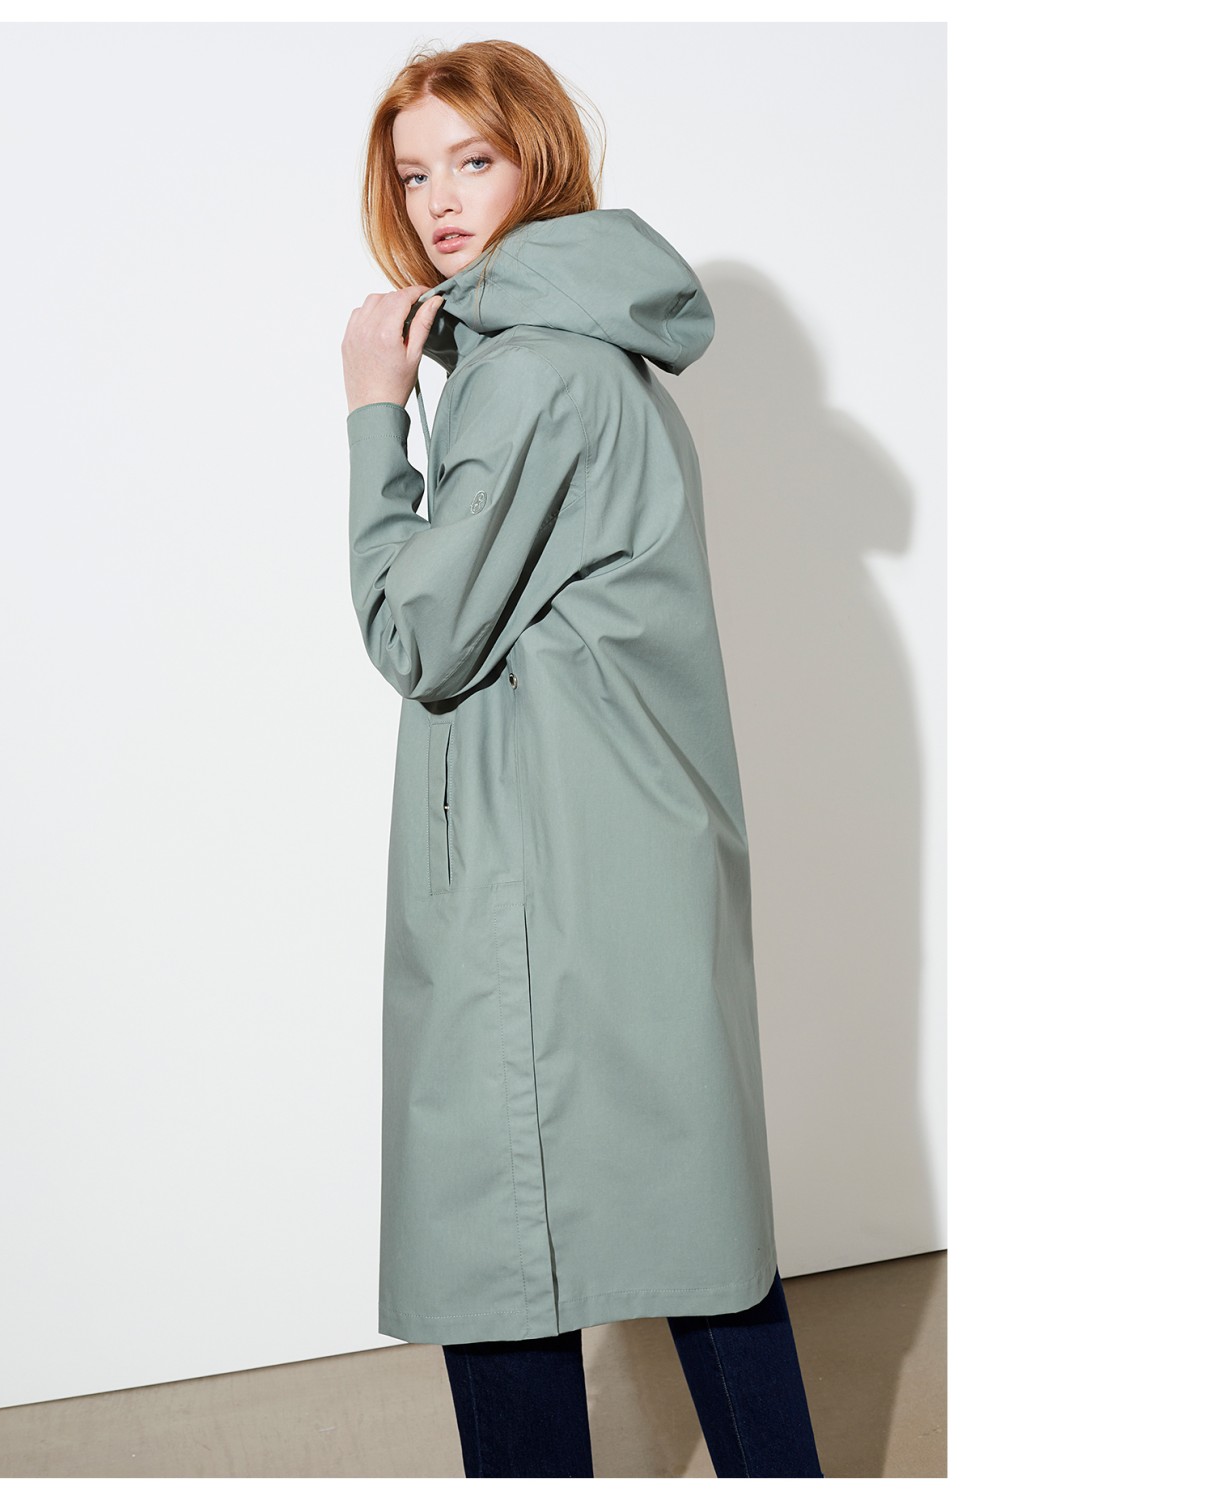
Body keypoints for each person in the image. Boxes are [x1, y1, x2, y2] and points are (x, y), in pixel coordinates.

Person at [341, 41, 825, 1479]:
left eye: (472, 161)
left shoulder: (530, 377)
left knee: (494, 1237)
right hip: (615, 848)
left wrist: (372, 414)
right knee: (692, 1223)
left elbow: (419, 635)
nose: (437, 201)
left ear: (540, 160)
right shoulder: (582, 355)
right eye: (412, 173)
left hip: (543, 870)